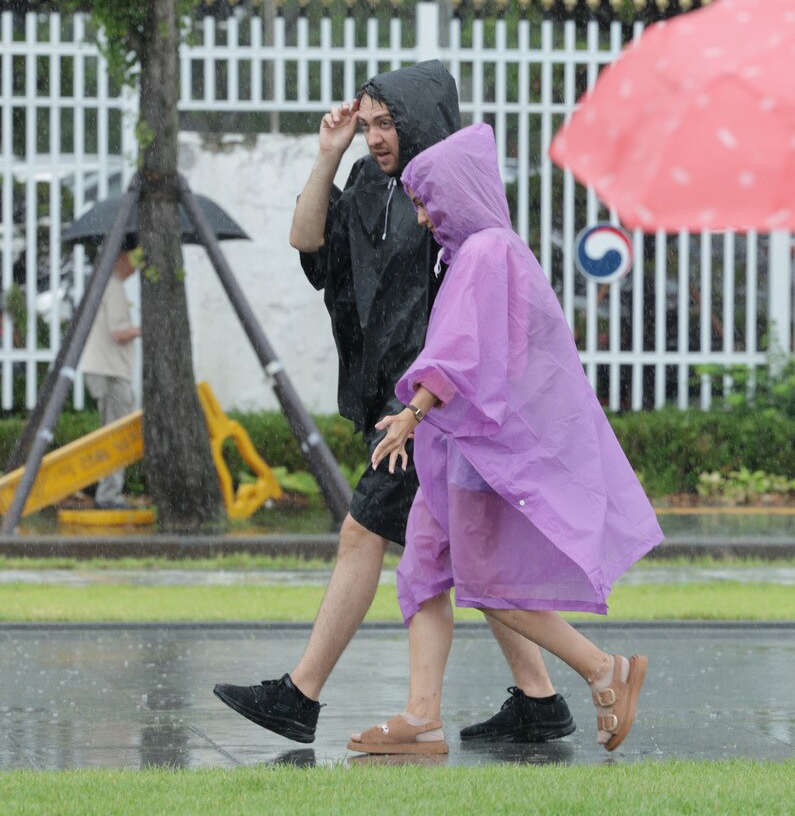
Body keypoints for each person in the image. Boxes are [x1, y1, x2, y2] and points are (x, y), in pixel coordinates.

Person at [214, 61, 576, 747]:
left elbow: (480, 299)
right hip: (394, 398)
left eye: (389, 123)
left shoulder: (450, 194)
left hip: (430, 408)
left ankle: (303, 693)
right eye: (371, 123)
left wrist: (426, 400)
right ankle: (541, 697)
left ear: (420, 122)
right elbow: (309, 246)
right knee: (465, 556)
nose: (377, 136)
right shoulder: (364, 184)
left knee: (364, 532)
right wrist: (329, 154)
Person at [346, 123, 664, 756]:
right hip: (458, 449)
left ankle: (605, 670)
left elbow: (463, 349)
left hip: (480, 455)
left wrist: (414, 411)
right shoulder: (481, 252)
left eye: (427, 199)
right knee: (423, 570)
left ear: (457, 192)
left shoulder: (487, 252)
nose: (421, 214)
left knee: (488, 584)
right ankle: (422, 717)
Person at [79, 244, 140, 508]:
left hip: (103, 369)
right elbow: (119, 333)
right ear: (120, 259)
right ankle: (109, 496)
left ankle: (106, 492)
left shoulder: (104, 285)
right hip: (110, 371)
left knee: (111, 431)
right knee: (117, 435)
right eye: (133, 259)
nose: (136, 267)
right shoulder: (113, 286)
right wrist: (145, 328)